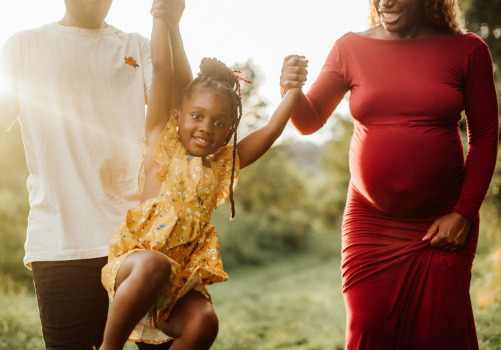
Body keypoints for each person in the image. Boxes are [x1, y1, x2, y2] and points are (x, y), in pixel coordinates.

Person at [0, 1, 191, 349]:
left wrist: (171, 26)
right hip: (61, 244)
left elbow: (182, 106)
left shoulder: (137, 45)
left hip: (142, 239)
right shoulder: (24, 46)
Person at [281, 0, 498, 349]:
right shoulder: (349, 48)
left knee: (440, 338)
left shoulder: (468, 50)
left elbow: (485, 137)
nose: (385, 1)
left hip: (440, 224)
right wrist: (291, 91)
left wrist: (464, 213)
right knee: (369, 332)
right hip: (370, 224)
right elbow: (309, 120)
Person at [97, 15, 306, 350]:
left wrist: (293, 92)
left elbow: (267, 133)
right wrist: (161, 18)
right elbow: (163, 71)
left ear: (229, 132)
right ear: (178, 115)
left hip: (176, 284)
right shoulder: (160, 143)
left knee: (205, 321)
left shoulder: (223, 165)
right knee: (155, 263)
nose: (206, 127)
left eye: (219, 123)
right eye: (197, 116)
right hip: (135, 268)